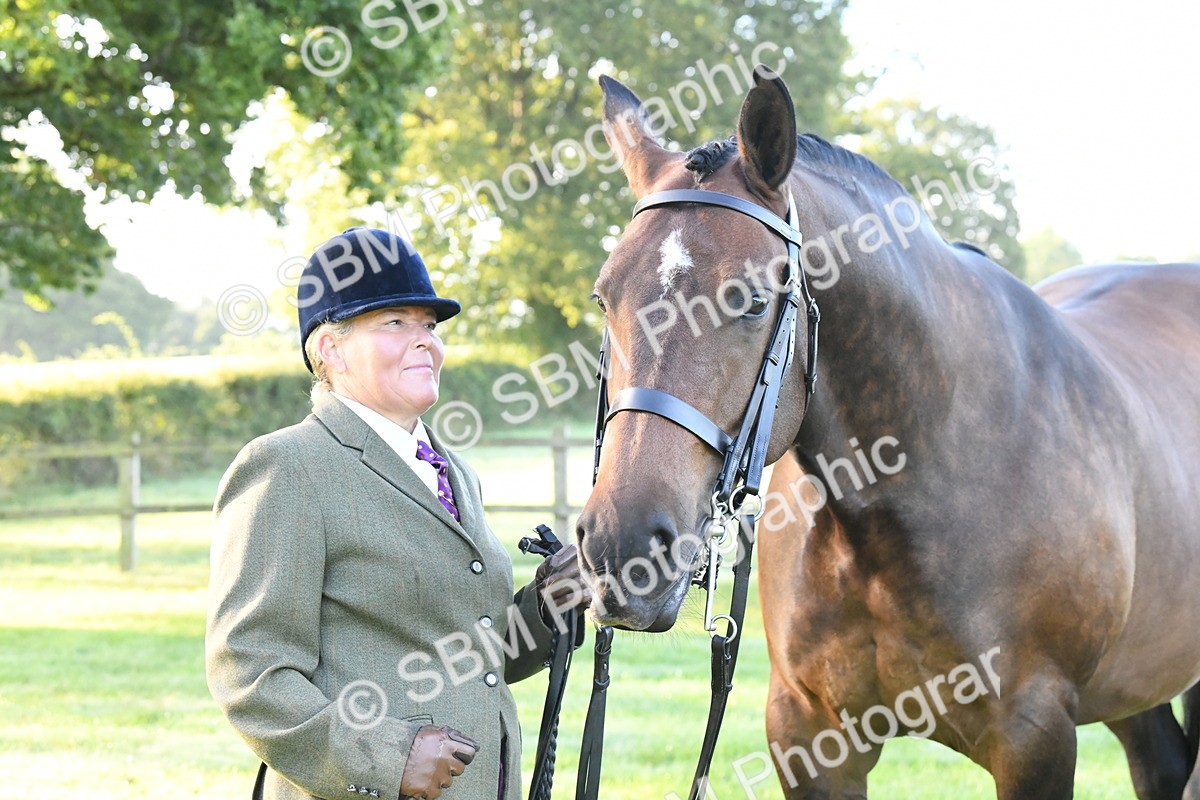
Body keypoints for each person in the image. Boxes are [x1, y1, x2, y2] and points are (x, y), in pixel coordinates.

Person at [206, 227, 587, 800]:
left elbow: (472, 653)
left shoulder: (455, 471)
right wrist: (383, 757)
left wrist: (547, 606)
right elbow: (252, 674)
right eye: (395, 323)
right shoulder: (286, 466)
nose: (424, 341)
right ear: (330, 350)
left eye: (429, 326)